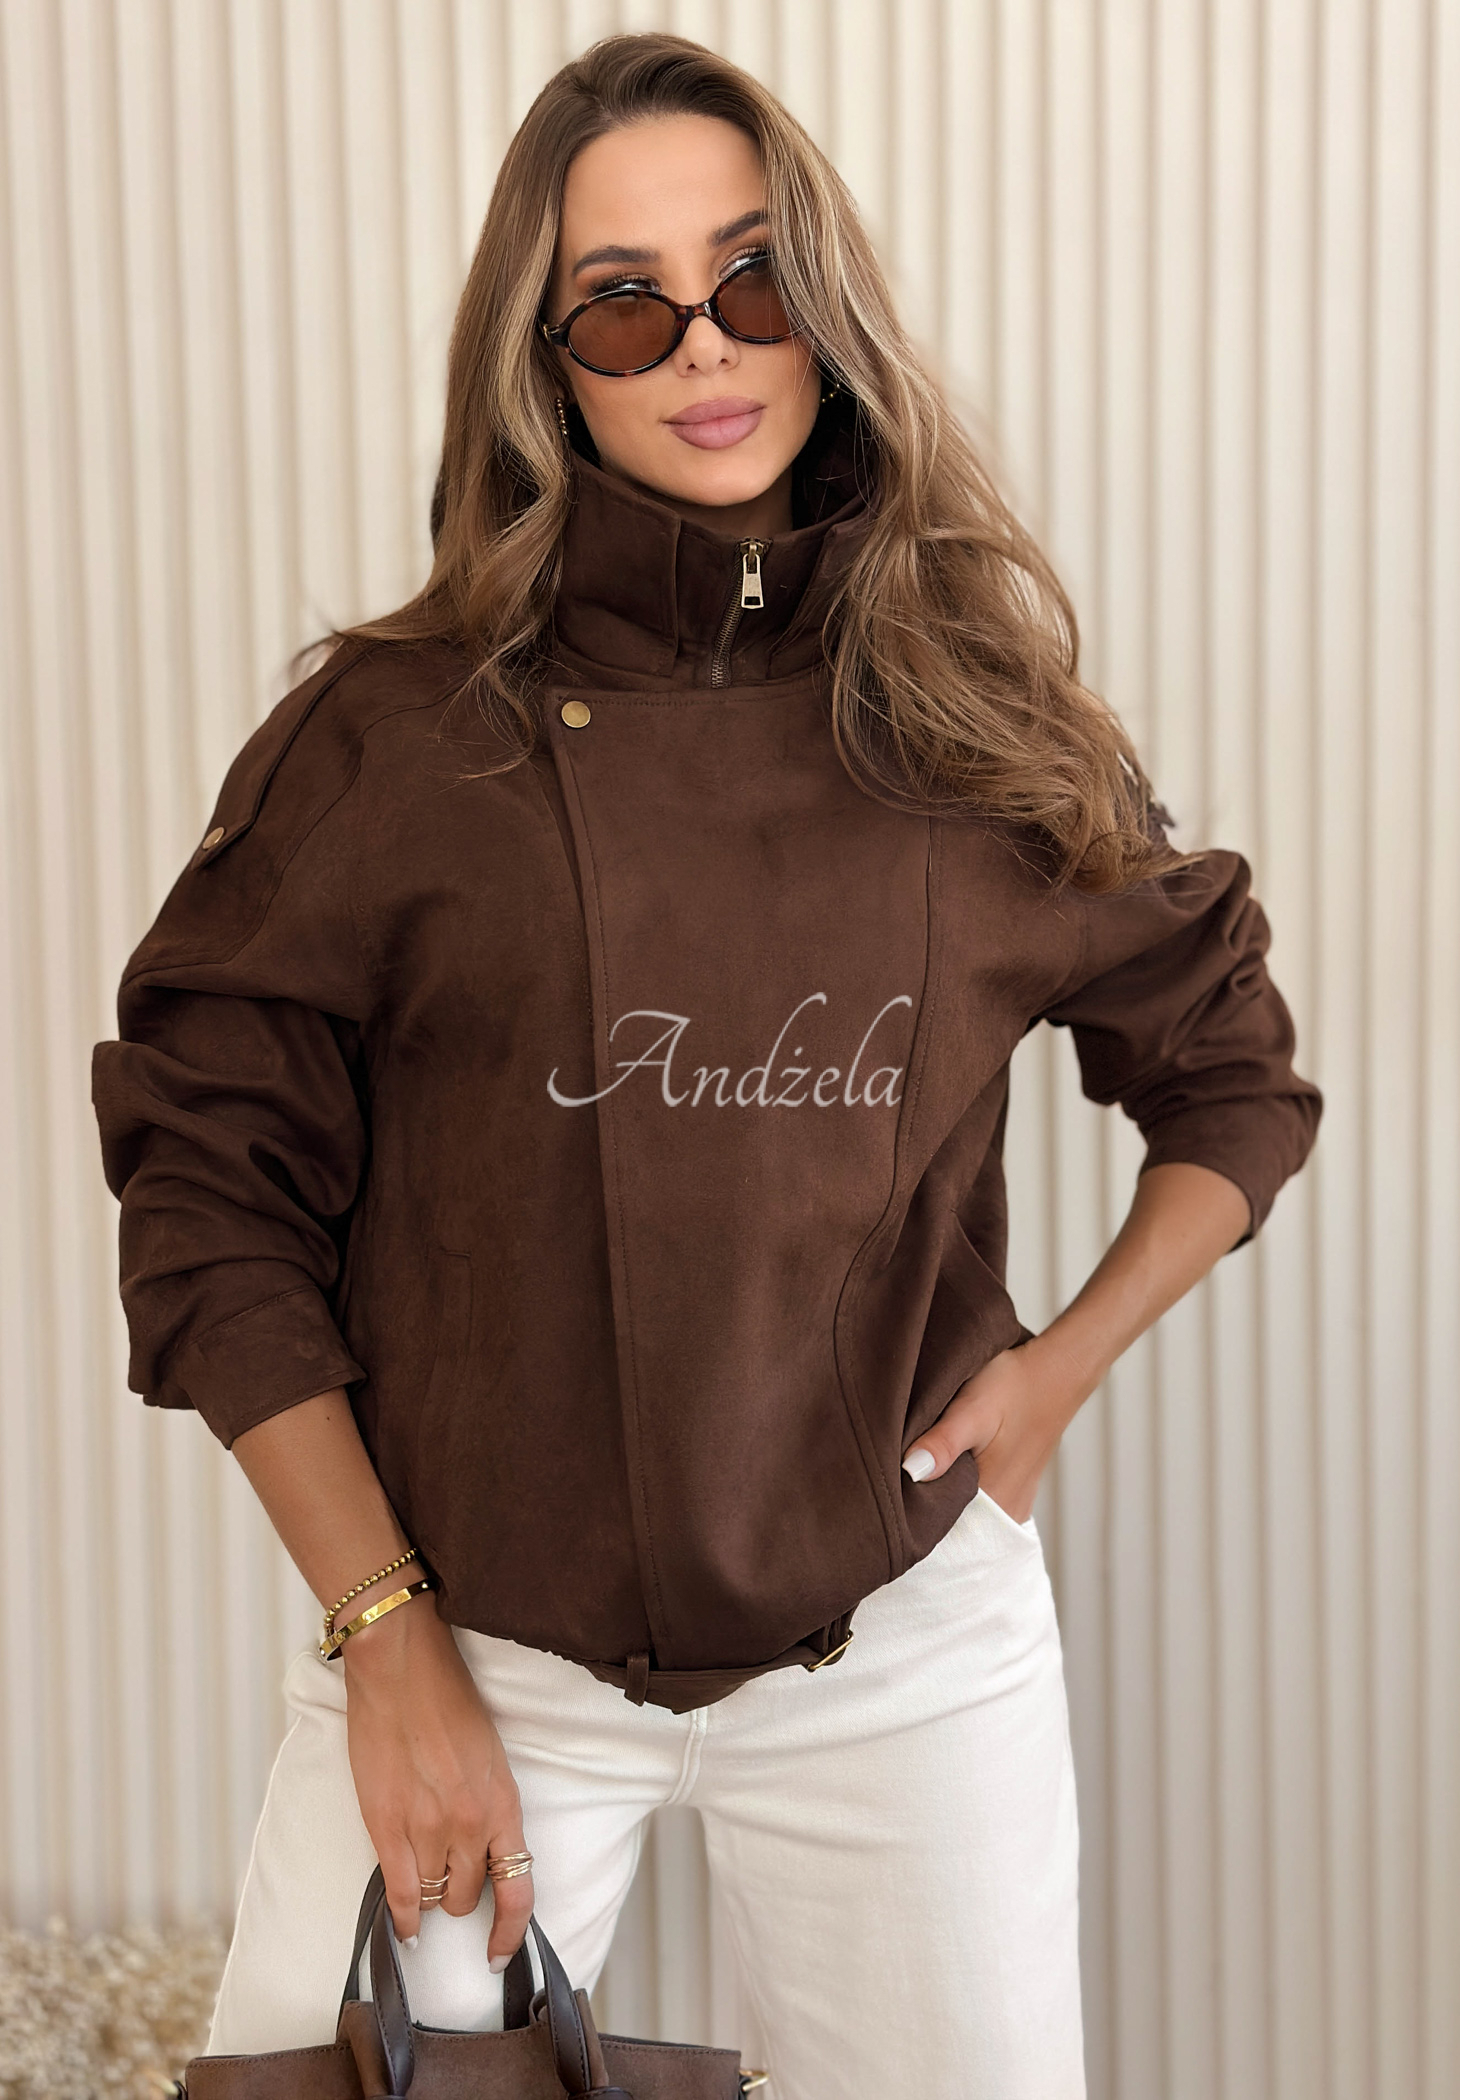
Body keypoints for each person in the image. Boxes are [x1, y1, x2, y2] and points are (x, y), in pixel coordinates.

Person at [91, 33, 1322, 2100]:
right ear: (544, 363)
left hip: (898, 1649)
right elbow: (208, 1195)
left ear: (822, 305)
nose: (704, 348)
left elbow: (1232, 1072)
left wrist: (1058, 1372)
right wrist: (386, 1643)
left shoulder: (971, 717)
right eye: (623, 304)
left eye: (752, 278)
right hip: (472, 1644)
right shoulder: (392, 737)